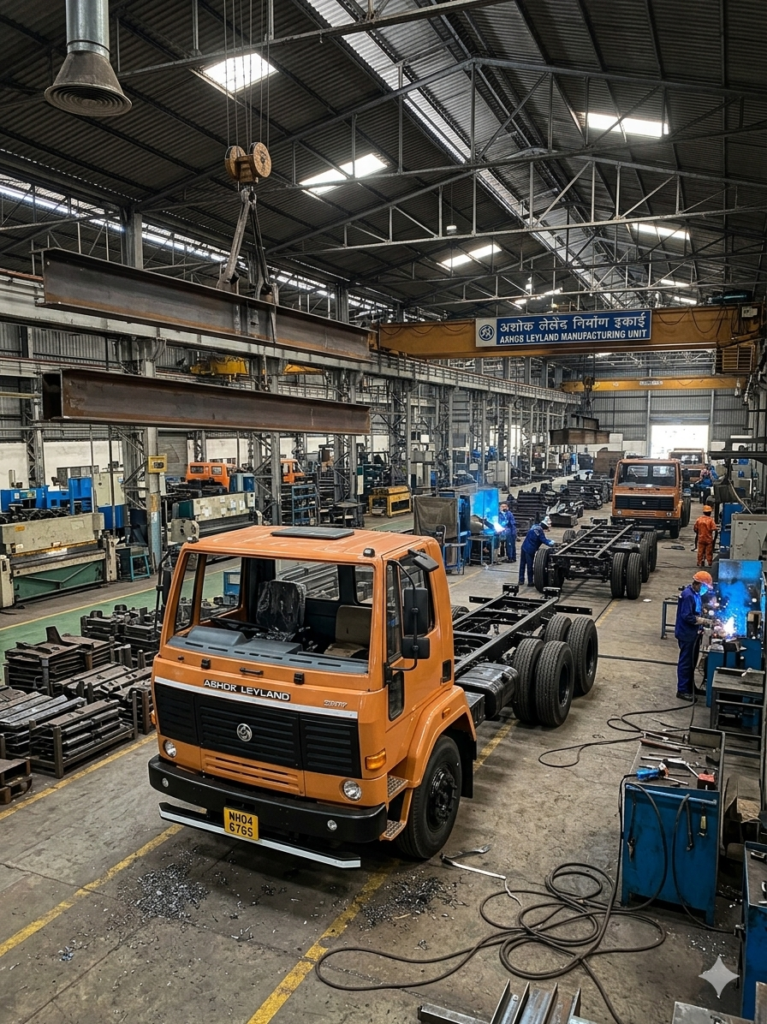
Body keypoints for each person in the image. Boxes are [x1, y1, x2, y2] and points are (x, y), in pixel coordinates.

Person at [674, 570, 713, 700]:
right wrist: (704, 621)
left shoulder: (695, 594)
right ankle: (682, 690)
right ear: (698, 584)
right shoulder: (688, 595)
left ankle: (690, 687)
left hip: (693, 634)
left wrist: (703, 610)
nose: (705, 590)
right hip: (686, 634)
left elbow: (695, 609)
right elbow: (686, 616)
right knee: (686, 663)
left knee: (692, 662)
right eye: (705, 587)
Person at [518, 515, 554, 585]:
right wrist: (552, 543)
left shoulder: (534, 526)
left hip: (524, 547)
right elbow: (544, 540)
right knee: (530, 566)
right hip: (530, 550)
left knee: (522, 564)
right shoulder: (540, 531)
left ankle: (521, 580)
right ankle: (530, 582)